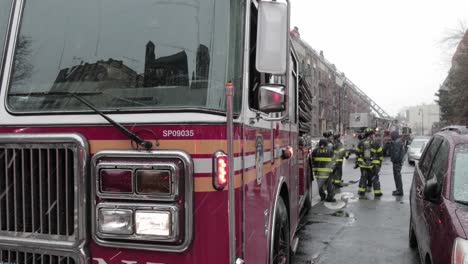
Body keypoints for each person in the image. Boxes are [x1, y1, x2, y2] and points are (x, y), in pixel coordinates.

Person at [354, 128, 384, 197]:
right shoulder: (376, 143)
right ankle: (377, 192)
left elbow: (357, 152)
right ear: (371, 135)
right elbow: (380, 154)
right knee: (375, 178)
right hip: (373, 165)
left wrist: (359, 160)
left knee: (363, 177)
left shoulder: (361, 142)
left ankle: (361, 191)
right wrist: (379, 164)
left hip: (363, 165)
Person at [390, 130, 405, 196]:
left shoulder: (397, 142)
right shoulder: (398, 141)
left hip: (397, 162)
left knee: (397, 177)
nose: (391, 137)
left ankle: (399, 191)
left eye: (391, 135)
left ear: (394, 135)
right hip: (398, 162)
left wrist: (394, 161)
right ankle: (398, 190)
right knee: (397, 177)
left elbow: (396, 154)